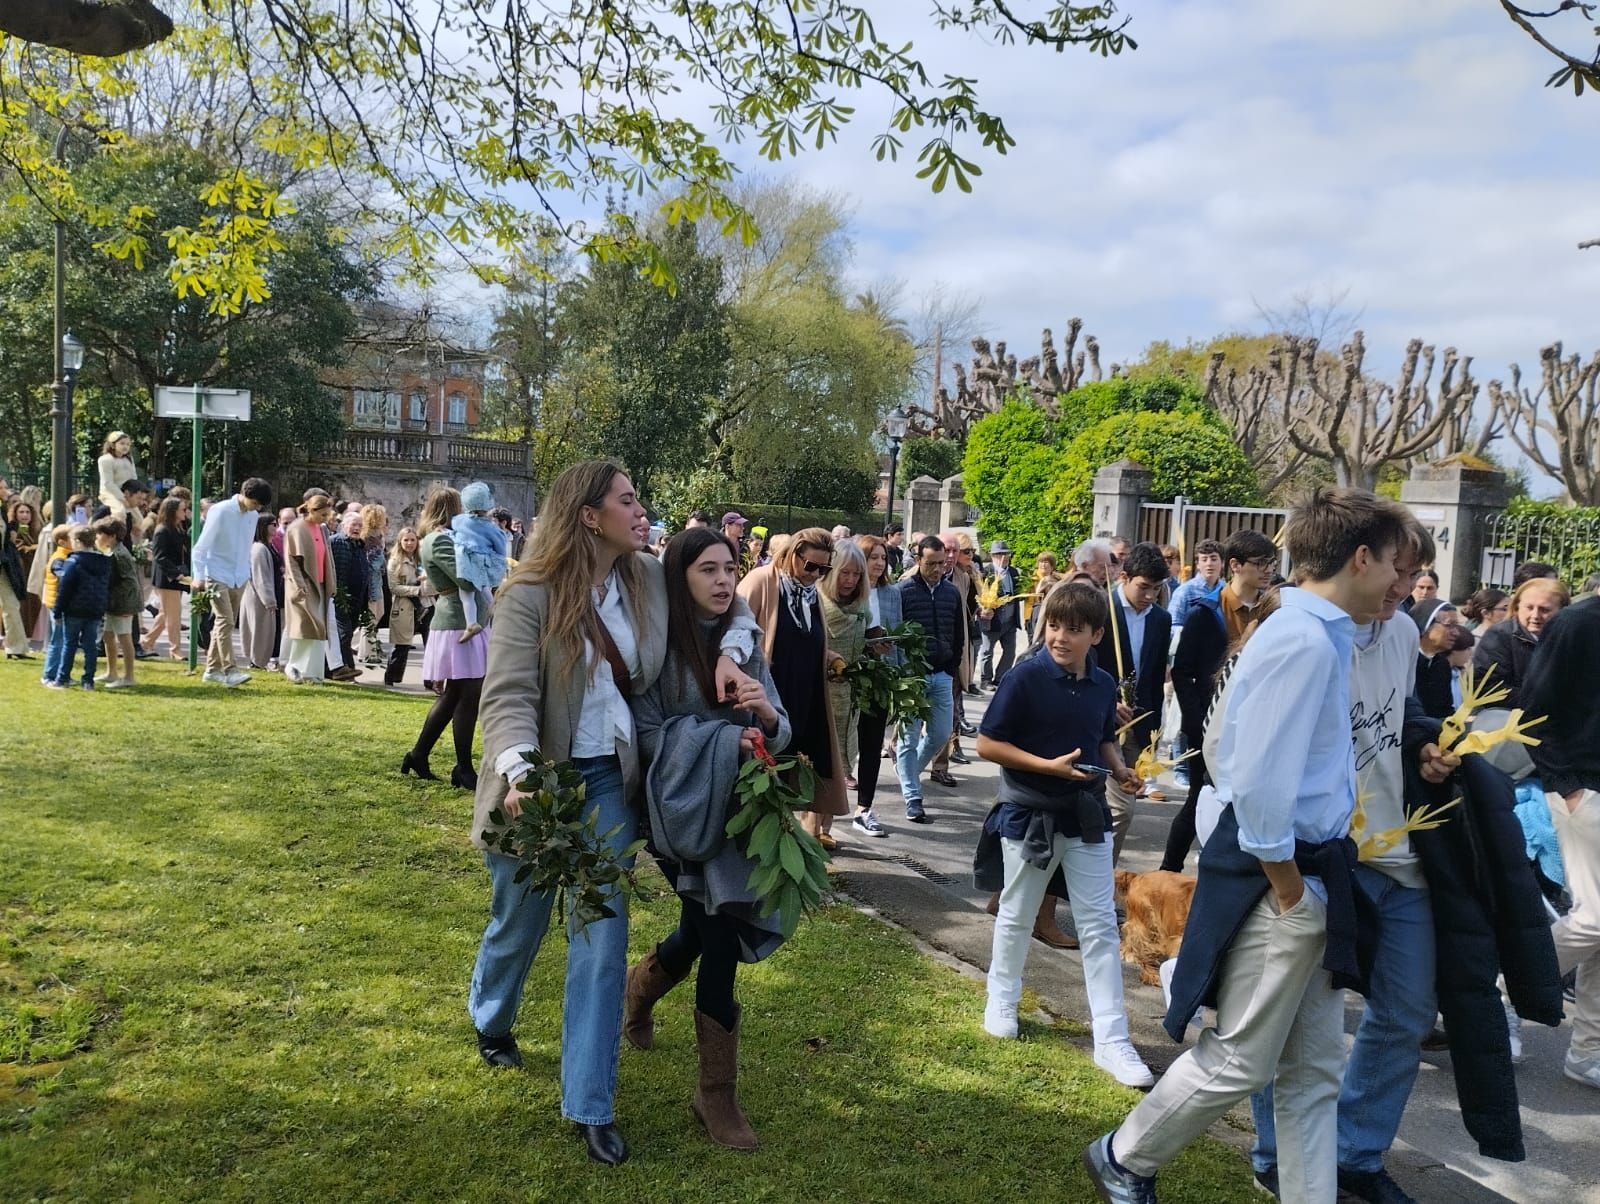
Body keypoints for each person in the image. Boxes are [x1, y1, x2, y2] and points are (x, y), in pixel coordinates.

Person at [1085, 486, 1409, 1204]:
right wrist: (1293, 892)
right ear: (1361, 557)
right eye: (1392, 562)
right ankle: (1125, 1155)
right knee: (1240, 1060)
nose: (1398, 580)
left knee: (1312, 1074)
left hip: (1307, 875)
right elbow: (1258, 781)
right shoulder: (1301, 639)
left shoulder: (1313, 633)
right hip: (1285, 879)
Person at [466, 459, 748, 1167]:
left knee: (602, 938)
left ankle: (590, 1103)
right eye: (628, 500)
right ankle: (491, 1018)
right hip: (535, 784)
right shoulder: (529, 593)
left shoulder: (647, 576)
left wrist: (734, 654)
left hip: (608, 787)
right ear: (590, 515)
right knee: (517, 921)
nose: (642, 510)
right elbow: (505, 698)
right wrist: (519, 770)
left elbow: (730, 605)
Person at [625, 527, 790, 1150]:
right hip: (679, 817)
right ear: (680, 576)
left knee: (702, 930)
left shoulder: (742, 643)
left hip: (737, 820)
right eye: (708, 571)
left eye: (729, 569)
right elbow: (646, 732)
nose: (723, 581)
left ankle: (636, 992)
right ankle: (716, 1095)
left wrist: (765, 717)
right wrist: (722, 739)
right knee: (718, 936)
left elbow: (780, 725)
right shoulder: (656, 645)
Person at [974, 581, 1153, 1087]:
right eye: (1054, 626)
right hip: (1028, 813)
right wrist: (1045, 768)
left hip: (1086, 812)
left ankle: (1112, 1039)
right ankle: (1001, 998)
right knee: (1017, 912)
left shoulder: (1102, 684)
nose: (1060, 637)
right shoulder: (1023, 678)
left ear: (1097, 634)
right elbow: (988, 743)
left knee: (1098, 925)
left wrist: (1119, 769)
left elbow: (1100, 738)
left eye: (1074, 630)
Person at [1521, 585, 1600, 1092]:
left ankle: (1588, 1050)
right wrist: (1567, 787)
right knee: (1595, 921)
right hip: (1583, 790)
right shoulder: (1578, 624)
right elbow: (1533, 712)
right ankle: (1492, 984)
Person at [1161, 529, 1276, 873]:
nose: (1269, 570)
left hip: (1254, 726)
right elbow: (1182, 672)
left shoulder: (1273, 612)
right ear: (1236, 565)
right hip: (1207, 725)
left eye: (1272, 562)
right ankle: (1169, 871)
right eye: (1261, 563)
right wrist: (1198, 722)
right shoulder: (1206, 612)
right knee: (1198, 797)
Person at [736, 528, 852, 839]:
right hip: (768, 703)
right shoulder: (762, 581)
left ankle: (790, 840)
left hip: (805, 702)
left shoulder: (812, 594)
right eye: (811, 566)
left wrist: (828, 656)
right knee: (763, 779)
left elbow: (803, 641)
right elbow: (733, 637)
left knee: (795, 779)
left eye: (824, 569)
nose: (816, 575)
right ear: (791, 555)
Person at [1094, 541, 1173, 865]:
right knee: (1102, 810)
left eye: (1157, 588)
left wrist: (1151, 735)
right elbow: (1085, 665)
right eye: (1144, 587)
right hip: (1095, 724)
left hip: (1136, 728)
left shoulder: (1161, 620)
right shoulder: (1100, 609)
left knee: (1122, 810)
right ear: (1124, 577)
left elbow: (1154, 679)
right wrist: (1107, 703)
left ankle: (1100, 880)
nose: (1151, 595)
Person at [405, 488, 487, 785]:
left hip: (464, 619)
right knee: (468, 695)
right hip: (456, 621)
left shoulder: (445, 537)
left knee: (456, 694)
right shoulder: (438, 540)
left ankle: (419, 754)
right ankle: (463, 768)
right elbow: (464, 578)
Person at [894, 535, 962, 824]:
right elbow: (896, 633)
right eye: (931, 563)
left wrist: (953, 666)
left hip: (942, 674)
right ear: (918, 560)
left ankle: (908, 771)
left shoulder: (951, 592)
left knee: (940, 733)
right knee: (908, 738)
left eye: (942, 563)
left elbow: (959, 632)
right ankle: (913, 796)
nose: (938, 569)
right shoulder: (904, 591)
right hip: (912, 677)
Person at [189, 477, 273, 687]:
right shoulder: (221, 511)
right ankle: (230, 669)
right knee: (225, 621)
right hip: (216, 573)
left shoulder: (253, 515)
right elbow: (200, 547)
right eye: (256, 502)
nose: (257, 508)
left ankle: (211, 670)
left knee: (223, 624)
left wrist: (247, 573)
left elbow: (245, 546)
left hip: (239, 576)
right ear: (246, 494)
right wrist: (198, 577)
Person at [817, 538, 871, 850]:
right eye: (845, 573)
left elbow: (859, 647)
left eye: (856, 575)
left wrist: (873, 644)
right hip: (821, 693)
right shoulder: (818, 604)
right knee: (821, 763)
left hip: (849, 695)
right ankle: (812, 827)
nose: (850, 580)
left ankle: (825, 826)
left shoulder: (862, 607)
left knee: (841, 764)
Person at [850, 534, 898, 837]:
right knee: (843, 746)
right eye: (873, 557)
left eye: (883, 557)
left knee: (871, 744)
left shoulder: (892, 593)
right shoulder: (847, 593)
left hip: (879, 679)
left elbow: (897, 634)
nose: (879, 563)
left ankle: (864, 808)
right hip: (848, 676)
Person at [1472, 575, 1570, 710]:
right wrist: (1543, 701)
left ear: (1562, 611)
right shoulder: (1499, 636)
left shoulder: (1572, 637)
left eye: (1544, 610)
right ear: (1517, 607)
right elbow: (1487, 687)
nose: (1535, 616)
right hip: (1511, 721)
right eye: (1529, 608)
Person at [45, 523, 114, 690]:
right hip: (95, 609)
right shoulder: (104, 562)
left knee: (70, 645)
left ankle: (62, 678)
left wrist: (57, 611)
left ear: (77, 541)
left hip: (74, 610)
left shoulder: (72, 563)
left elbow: (64, 590)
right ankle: (88, 680)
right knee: (90, 646)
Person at [282, 494, 337, 685]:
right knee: (305, 628)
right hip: (304, 586)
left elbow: (326, 557)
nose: (325, 519)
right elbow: (291, 561)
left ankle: (312, 672)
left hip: (320, 586)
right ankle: (293, 665)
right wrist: (299, 585)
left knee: (318, 631)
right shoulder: (297, 528)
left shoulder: (321, 529)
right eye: (322, 514)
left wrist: (332, 583)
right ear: (312, 510)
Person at [451, 482, 510, 643]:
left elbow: (452, 530)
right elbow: (500, 543)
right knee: (485, 589)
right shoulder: (490, 526)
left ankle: (471, 623)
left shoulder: (459, 520)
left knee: (466, 594)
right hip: (482, 563)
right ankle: (497, 611)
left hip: (465, 561)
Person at [140, 496, 190, 660]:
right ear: (173, 511)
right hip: (167, 579)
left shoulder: (178, 527)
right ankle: (175, 650)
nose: (186, 512)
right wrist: (176, 574)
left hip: (175, 578)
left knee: (165, 614)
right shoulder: (162, 530)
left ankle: (146, 642)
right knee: (174, 616)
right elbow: (160, 557)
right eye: (183, 509)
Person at [327, 510, 370, 681]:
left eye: (360, 525)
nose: (357, 528)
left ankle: (333, 668)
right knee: (343, 634)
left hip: (356, 599)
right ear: (344, 526)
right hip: (339, 598)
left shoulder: (360, 545)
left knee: (346, 635)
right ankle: (346, 669)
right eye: (354, 524)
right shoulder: (335, 542)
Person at [384, 527, 430, 686]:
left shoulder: (423, 559)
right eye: (406, 540)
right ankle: (391, 678)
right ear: (400, 542)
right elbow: (394, 587)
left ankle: (431, 681)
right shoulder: (394, 561)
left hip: (427, 605)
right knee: (401, 645)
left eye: (412, 540)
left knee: (431, 645)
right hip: (405, 606)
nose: (410, 543)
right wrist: (417, 590)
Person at [98, 516, 140, 689]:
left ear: (112, 536)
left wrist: (115, 599)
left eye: (101, 534)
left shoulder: (120, 554)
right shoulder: (112, 551)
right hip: (113, 602)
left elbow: (128, 581)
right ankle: (111, 671)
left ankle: (129, 676)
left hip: (123, 602)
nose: (98, 537)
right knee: (108, 636)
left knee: (124, 638)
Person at [240, 513, 282, 672]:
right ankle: (256, 662)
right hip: (259, 599)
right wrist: (269, 600)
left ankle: (261, 661)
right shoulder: (258, 548)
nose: (276, 528)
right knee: (259, 630)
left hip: (269, 596)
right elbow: (260, 577)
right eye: (273, 524)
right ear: (263, 527)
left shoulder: (269, 546)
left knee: (266, 631)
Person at [978, 540, 1022, 690]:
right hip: (993, 619)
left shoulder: (1013, 572)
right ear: (993, 556)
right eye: (1000, 554)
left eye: (1006, 554)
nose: (1004, 557)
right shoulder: (986, 572)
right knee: (987, 651)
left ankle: (1000, 678)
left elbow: (1018, 594)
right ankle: (986, 680)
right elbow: (979, 595)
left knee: (1010, 651)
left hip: (1010, 619)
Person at [1410, 598, 1461, 720]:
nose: (1456, 633)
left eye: (1456, 626)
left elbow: (1445, 709)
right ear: (1426, 626)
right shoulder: (1406, 661)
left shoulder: (1441, 664)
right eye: (1449, 625)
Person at [34, 523, 72, 678]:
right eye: (73, 538)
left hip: (60, 603)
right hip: (57, 604)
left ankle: (61, 674)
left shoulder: (66, 556)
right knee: (58, 641)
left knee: (63, 640)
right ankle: (49, 675)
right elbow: (63, 576)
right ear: (62, 542)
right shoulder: (59, 558)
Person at [7, 499, 42, 648]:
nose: (25, 515)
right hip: (18, 572)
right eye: (21, 512)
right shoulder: (13, 530)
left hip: (33, 572)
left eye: (27, 512)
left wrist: (34, 547)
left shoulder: (36, 531)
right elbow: (17, 548)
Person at [1166, 539, 1226, 627]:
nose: (1209, 564)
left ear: (1223, 563)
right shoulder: (1185, 591)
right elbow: (1173, 623)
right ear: (1197, 564)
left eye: (1213, 559)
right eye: (1204, 559)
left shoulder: (1227, 590)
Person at [0, 499, 32, 659]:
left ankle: (16, 648)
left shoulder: (2, 511)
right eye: (2, 488)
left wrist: (12, 529)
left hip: (3, 565)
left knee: (11, 604)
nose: (5, 491)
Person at [96, 431, 138, 516]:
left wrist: (134, 495)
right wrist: (123, 498)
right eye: (122, 443)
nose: (125, 446)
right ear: (112, 444)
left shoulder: (129, 459)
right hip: (110, 494)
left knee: (139, 519)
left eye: (128, 444)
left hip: (127, 494)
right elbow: (108, 483)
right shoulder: (105, 459)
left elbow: (134, 478)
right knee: (120, 512)